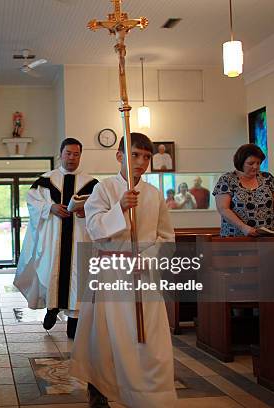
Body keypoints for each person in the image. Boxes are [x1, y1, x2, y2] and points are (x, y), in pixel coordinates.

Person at [70, 133, 176, 407]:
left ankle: (149, 394)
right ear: (119, 156)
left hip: (143, 273)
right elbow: (94, 227)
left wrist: (148, 257)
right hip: (110, 271)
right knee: (105, 336)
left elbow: (166, 237)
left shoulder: (153, 195)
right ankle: (100, 390)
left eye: (146, 157)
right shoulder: (104, 189)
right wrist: (120, 208)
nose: (141, 162)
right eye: (134, 155)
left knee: (148, 337)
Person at [14, 138, 98, 339]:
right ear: (60, 154)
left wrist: (87, 211)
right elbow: (32, 203)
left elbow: (100, 208)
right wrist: (50, 207)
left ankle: (74, 321)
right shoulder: (45, 181)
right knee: (52, 273)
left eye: (76, 154)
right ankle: (51, 308)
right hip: (53, 241)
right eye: (68, 153)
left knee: (78, 277)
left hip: (80, 239)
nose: (72, 158)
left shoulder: (92, 184)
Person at [213, 144, 274, 237]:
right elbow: (223, 209)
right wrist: (243, 227)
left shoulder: (267, 178)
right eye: (251, 163)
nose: (255, 166)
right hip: (236, 236)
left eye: (258, 163)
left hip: (266, 237)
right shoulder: (227, 179)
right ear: (241, 162)